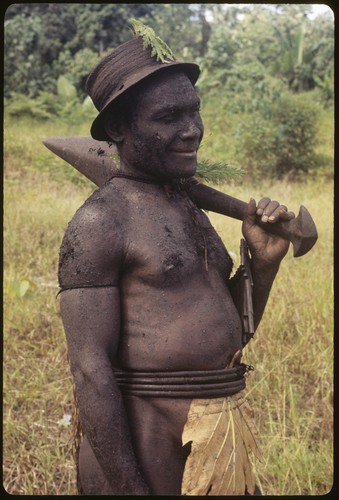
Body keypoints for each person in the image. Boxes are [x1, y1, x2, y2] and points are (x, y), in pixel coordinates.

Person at [58, 35, 294, 496]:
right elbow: (90, 370)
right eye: (168, 117)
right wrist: (130, 488)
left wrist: (262, 267)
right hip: (148, 438)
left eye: (194, 110)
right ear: (118, 130)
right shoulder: (101, 221)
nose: (192, 130)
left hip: (216, 430)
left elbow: (228, 335)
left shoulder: (186, 204)